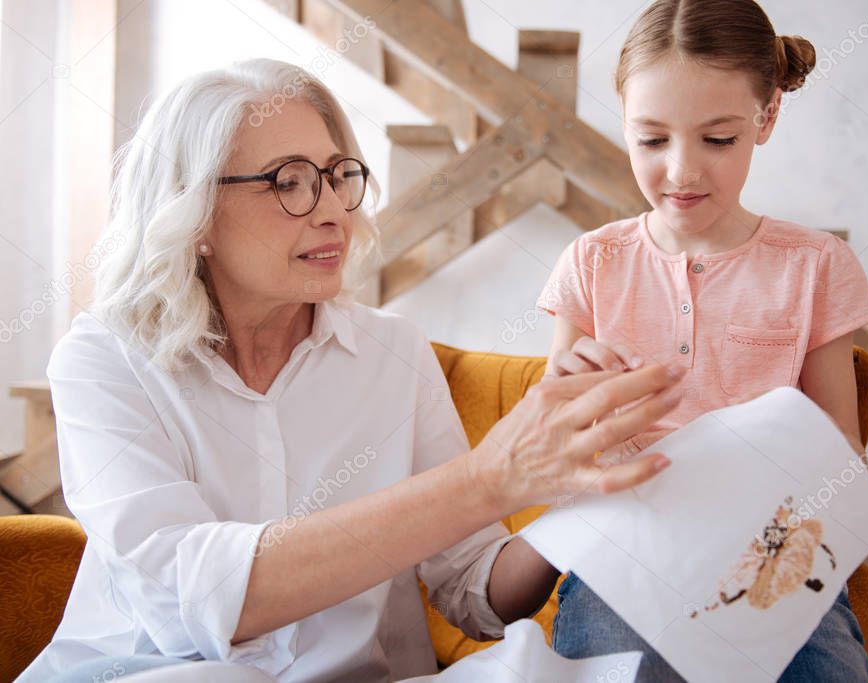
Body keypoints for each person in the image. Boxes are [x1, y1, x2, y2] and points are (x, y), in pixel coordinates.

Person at [18, 58, 685, 683]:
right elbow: (184, 598)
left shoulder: (394, 353)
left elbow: (476, 589)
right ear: (194, 213)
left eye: (338, 175)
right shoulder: (105, 359)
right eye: (289, 181)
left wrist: (579, 492)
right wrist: (485, 478)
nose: (335, 208)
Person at [538, 1, 868, 680]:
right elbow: (552, 441)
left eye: (716, 139)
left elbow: (842, 449)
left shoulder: (814, 266)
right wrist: (573, 395)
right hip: (626, 547)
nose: (681, 172)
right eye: (651, 139)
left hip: (774, 551)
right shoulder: (592, 261)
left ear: (766, 118)